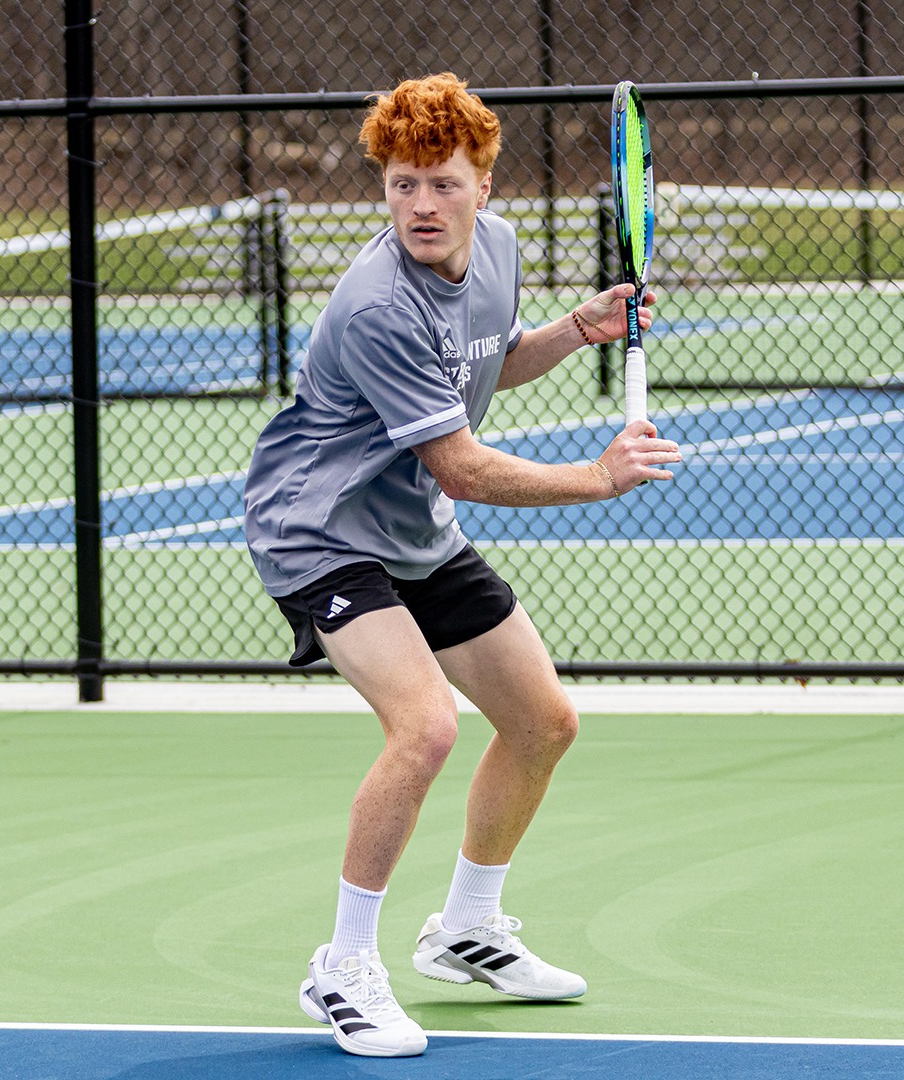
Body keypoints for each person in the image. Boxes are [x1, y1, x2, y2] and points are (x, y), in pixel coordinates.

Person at [241, 72, 681, 1058]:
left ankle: (468, 931)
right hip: (320, 530)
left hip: (412, 526)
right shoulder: (373, 307)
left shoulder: (503, 251)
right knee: (427, 726)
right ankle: (343, 966)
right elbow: (464, 465)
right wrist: (598, 478)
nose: (423, 207)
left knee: (541, 721)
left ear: (485, 184)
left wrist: (574, 330)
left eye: (442, 183)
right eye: (402, 186)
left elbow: (489, 356)